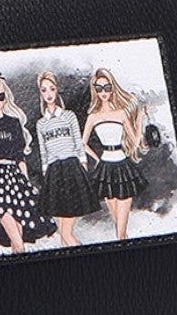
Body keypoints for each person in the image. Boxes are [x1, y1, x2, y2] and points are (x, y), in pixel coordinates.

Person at [0, 73, 55, 253]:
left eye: (1, 96)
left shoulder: (14, 123)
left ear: (6, 97)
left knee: (18, 239)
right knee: (15, 236)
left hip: (15, 178)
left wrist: (27, 182)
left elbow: (20, 157)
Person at [82, 66, 148, 240]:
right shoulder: (92, 116)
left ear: (112, 89)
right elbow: (82, 143)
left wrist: (140, 120)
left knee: (120, 231)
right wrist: (96, 159)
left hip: (123, 166)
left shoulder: (121, 113)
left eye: (107, 87)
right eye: (99, 88)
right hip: (105, 168)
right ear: (95, 91)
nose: (103, 92)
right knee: (119, 228)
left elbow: (134, 141)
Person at [33, 70, 95, 247]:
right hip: (54, 172)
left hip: (72, 168)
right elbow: (43, 151)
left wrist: (83, 163)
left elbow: (78, 141)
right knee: (62, 230)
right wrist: (46, 172)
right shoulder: (41, 123)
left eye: (51, 89)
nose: (48, 94)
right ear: (40, 93)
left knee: (66, 232)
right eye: (44, 90)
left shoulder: (69, 116)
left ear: (57, 89)